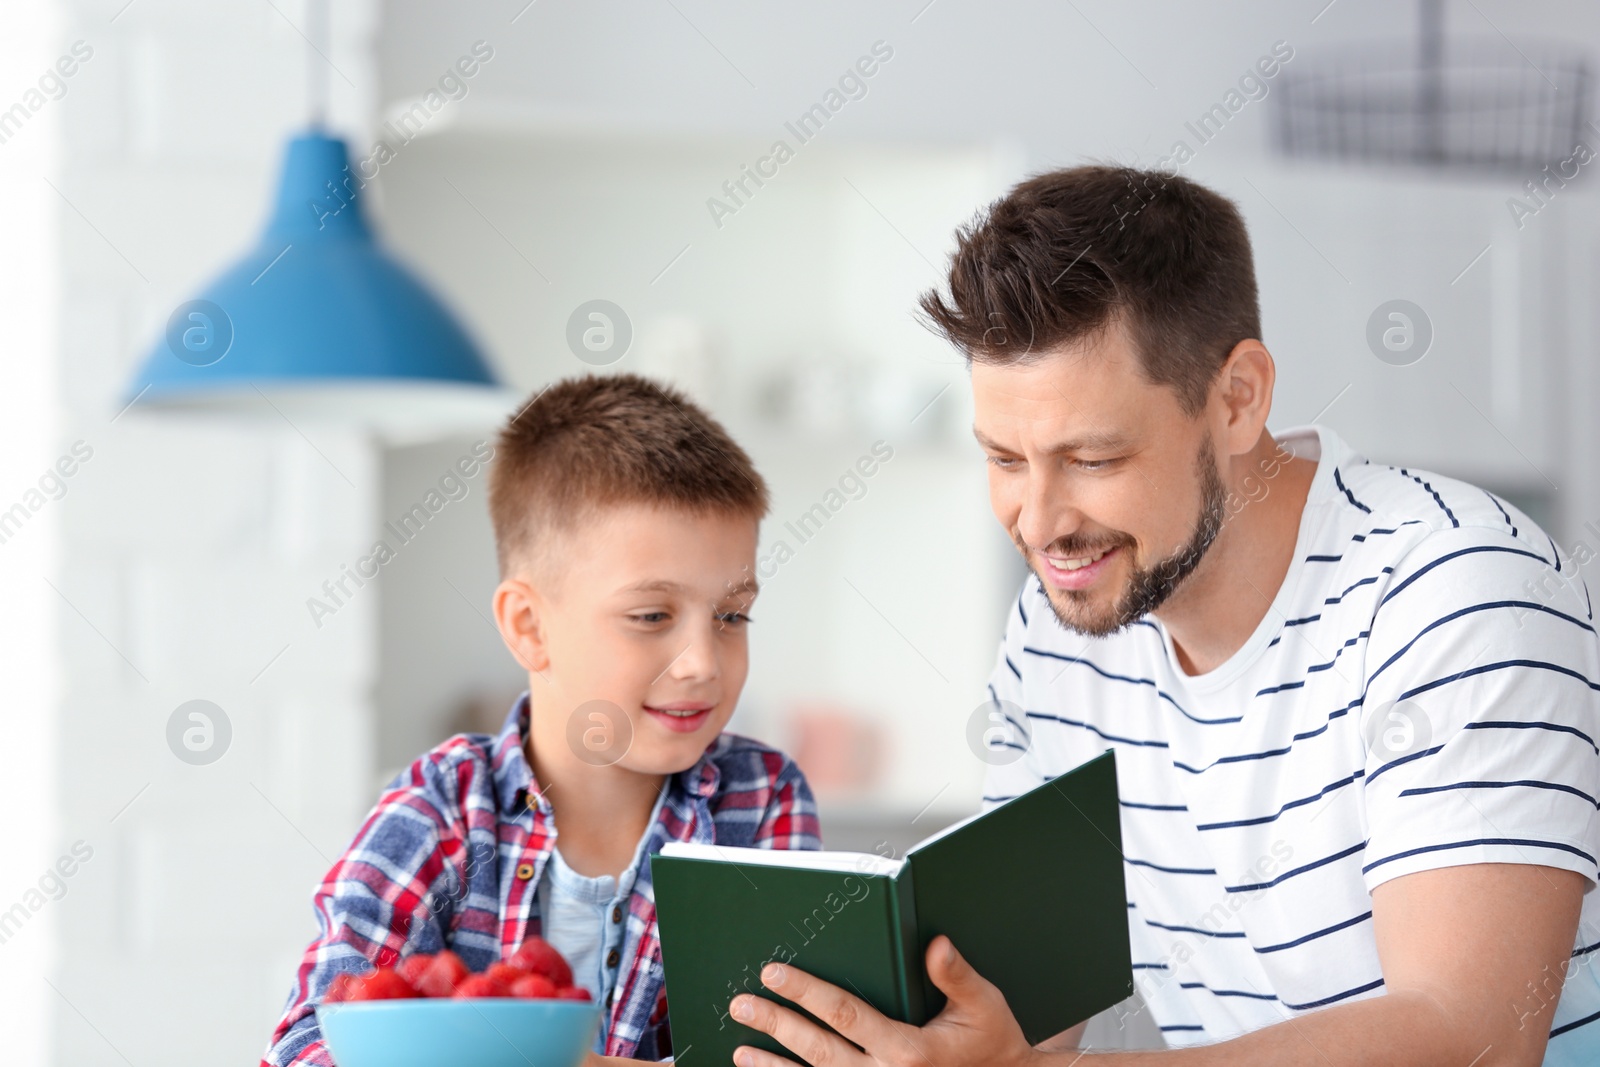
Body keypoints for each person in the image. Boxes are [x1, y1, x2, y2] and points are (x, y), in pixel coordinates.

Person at [728, 165, 1600, 1067]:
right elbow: (1016, 1011)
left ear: (1237, 400)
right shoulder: (1062, 626)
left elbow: (1475, 1038)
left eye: (1093, 457)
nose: (1039, 522)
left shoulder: (1454, 590)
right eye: (1004, 458)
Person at [262, 374, 820, 1065]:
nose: (703, 662)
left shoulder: (763, 800)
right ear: (529, 626)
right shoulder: (439, 812)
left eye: (732, 615)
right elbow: (311, 1042)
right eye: (651, 616)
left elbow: (787, 1049)